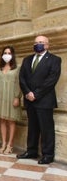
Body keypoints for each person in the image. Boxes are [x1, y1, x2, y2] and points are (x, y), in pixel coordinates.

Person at [17, 35, 61, 164]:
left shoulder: (54, 60)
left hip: (44, 100)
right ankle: (31, 150)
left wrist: (35, 94)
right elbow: (22, 78)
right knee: (32, 127)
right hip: (29, 99)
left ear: (47, 45)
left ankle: (48, 154)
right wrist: (27, 92)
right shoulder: (27, 59)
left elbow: (51, 80)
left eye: (41, 42)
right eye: (36, 42)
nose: (38, 44)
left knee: (46, 128)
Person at [0, 46, 22, 155]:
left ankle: (10, 145)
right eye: (5, 52)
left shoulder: (17, 68)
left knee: (11, 121)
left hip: (12, 96)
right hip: (1, 96)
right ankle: (3, 143)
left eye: (9, 53)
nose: (7, 54)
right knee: (2, 120)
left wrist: (17, 97)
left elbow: (19, 83)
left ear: (13, 55)